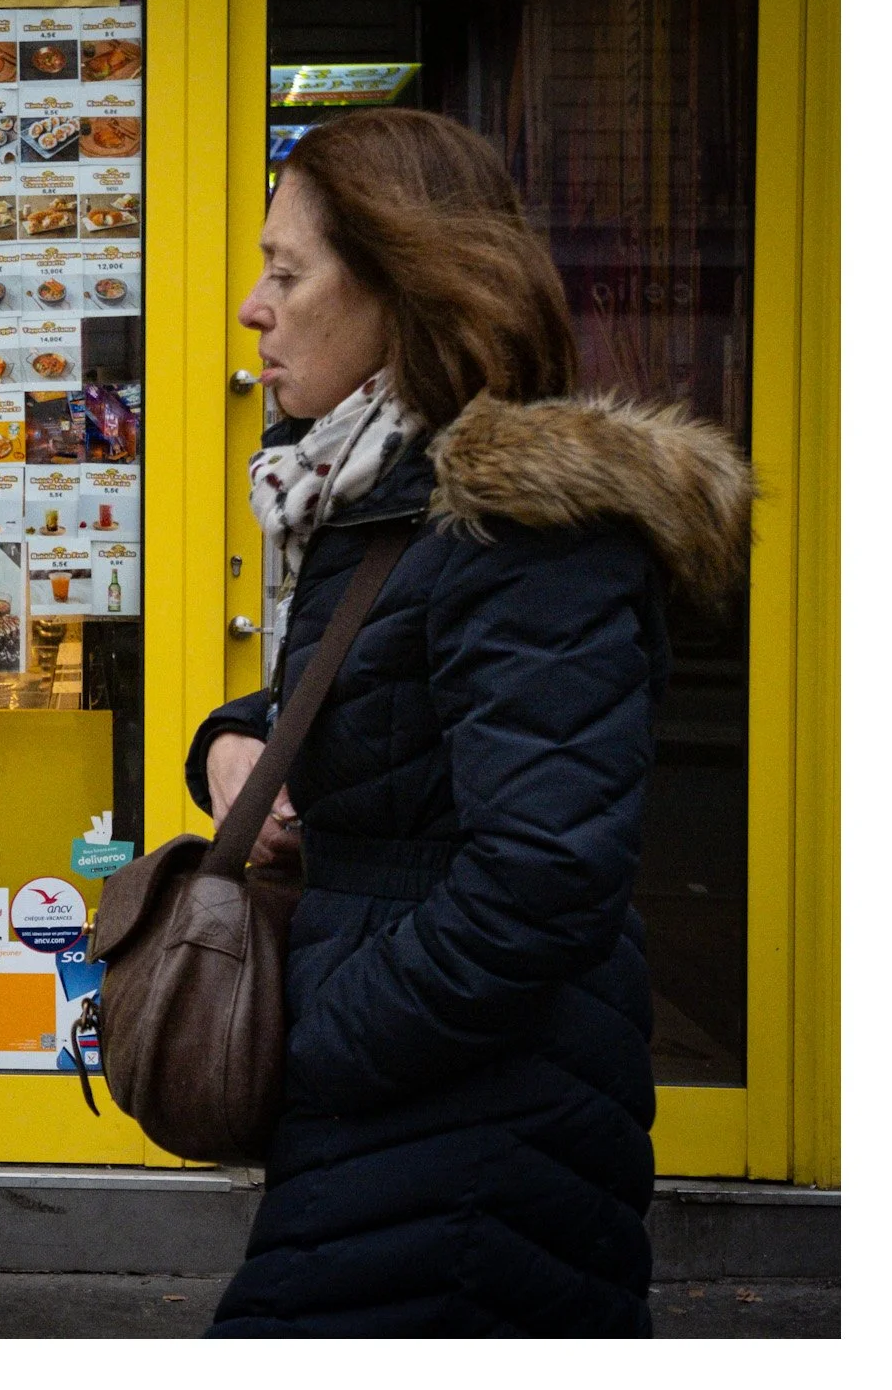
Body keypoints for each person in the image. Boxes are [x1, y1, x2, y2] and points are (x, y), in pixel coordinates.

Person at [190, 109, 754, 1337]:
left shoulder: (524, 527)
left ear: (401, 283)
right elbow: (378, 686)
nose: (251, 305)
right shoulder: (387, 495)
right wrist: (232, 741)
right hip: (423, 1100)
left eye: (284, 271)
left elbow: (541, 877)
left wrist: (316, 1038)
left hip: (474, 1126)